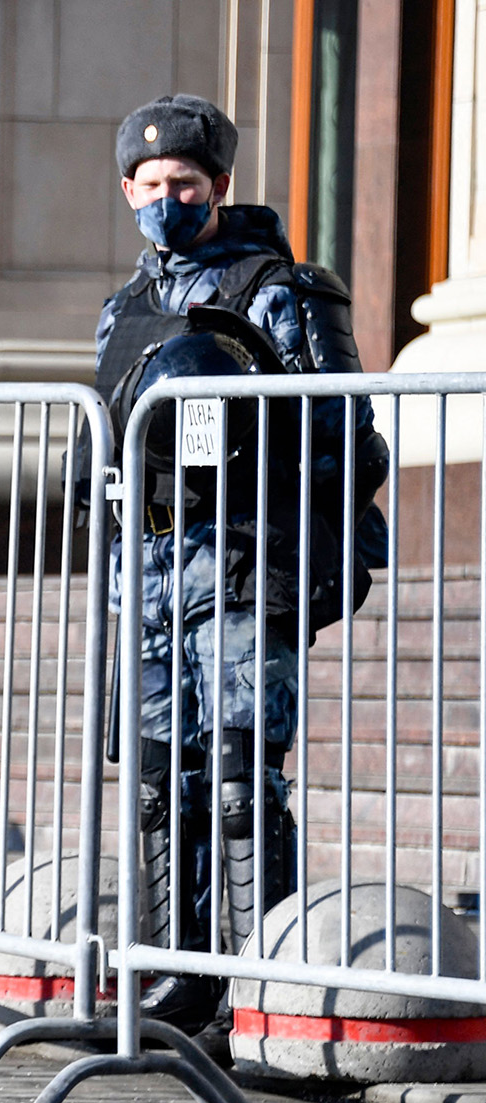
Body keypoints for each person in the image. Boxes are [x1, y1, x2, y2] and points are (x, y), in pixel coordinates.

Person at [99, 94, 389, 1033]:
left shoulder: (282, 289)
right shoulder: (126, 309)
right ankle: (173, 980)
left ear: (220, 186)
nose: (167, 198)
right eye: (150, 184)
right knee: (155, 782)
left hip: (237, 569)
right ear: (127, 191)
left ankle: (260, 983)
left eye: (185, 182)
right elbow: (107, 440)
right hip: (145, 579)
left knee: (235, 779)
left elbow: (347, 435)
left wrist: (294, 544)